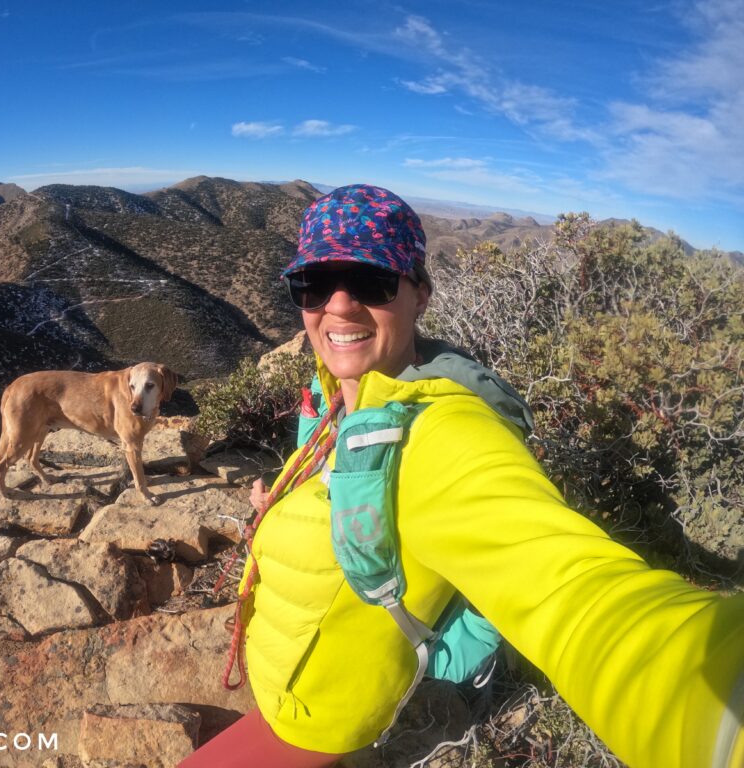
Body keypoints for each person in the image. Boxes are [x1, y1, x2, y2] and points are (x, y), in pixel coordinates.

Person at [179, 184, 744, 768]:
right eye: (315, 284)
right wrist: (282, 502)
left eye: (372, 282)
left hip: (318, 715)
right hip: (282, 670)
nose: (339, 306)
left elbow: (579, 598)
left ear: (420, 294)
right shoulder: (344, 395)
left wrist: (718, 705)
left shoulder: (443, 435)